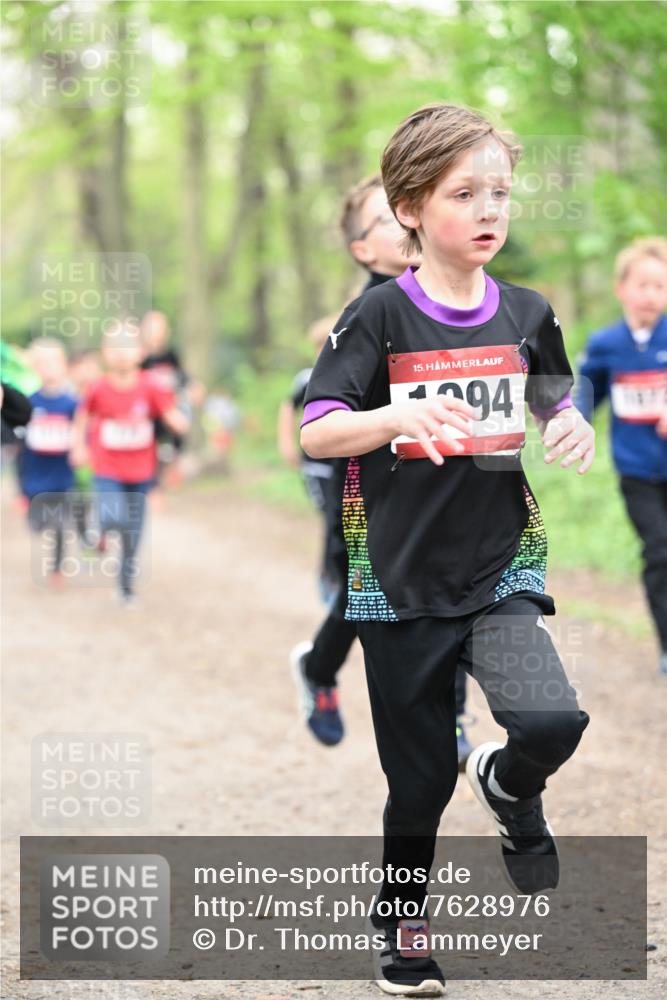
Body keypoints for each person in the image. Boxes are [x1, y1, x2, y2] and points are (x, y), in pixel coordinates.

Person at [301, 104, 593, 995]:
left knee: (552, 720)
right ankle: (403, 930)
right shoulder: (379, 317)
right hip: (395, 577)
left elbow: (548, 393)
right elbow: (318, 434)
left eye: (497, 191)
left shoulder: (528, 310)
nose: (486, 209)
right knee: (420, 781)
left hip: (499, 561)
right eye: (462, 193)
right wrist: (392, 416)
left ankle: (508, 783)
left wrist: (568, 421)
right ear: (410, 209)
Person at [290, 176, 475, 762]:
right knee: (366, 596)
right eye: (386, 223)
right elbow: (323, 422)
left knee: (456, 585)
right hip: (372, 495)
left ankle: (454, 719)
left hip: (446, 485)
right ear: (361, 250)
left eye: (409, 214)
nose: (405, 228)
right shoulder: (363, 316)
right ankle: (319, 669)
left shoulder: (452, 296)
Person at [578, 236, 667, 674]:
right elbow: (586, 390)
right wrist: (574, 424)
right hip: (638, 471)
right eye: (644, 285)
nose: (652, 295)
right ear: (622, 290)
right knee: (660, 550)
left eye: (661, 287)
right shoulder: (606, 343)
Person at [71, 322, 189, 606]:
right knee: (113, 515)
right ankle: (99, 532)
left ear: (140, 353)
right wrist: (78, 445)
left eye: (127, 347)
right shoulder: (98, 387)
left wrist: (179, 422)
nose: (121, 354)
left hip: (140, 470)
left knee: (133, 534)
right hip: (107, 466)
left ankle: (125, 586)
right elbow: (83, 417)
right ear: (105, 353)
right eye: (114, 347)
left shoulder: (151, 385)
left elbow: (170, 413)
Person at [279, 314, 345, 608]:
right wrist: (286, 443)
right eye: (320, 345)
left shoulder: (348, 374)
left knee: (342, 522)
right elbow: (288, 407)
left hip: (341, 463)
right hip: (316, 465)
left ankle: (338, 578)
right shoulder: (307, 378)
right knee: (331, 519)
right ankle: (329, 581)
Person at [18, 339, 77, 585]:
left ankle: (57, 569)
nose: (49, 368)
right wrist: (20, 489)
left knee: (61, 523)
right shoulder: (28, 404)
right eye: (42, 363)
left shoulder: (73, 404)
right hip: (34, 479)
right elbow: (19, 448)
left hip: (62, 478)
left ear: (64, 366)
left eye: (54, 362)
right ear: (34, 368)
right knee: (38, 523)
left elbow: (83, 435)